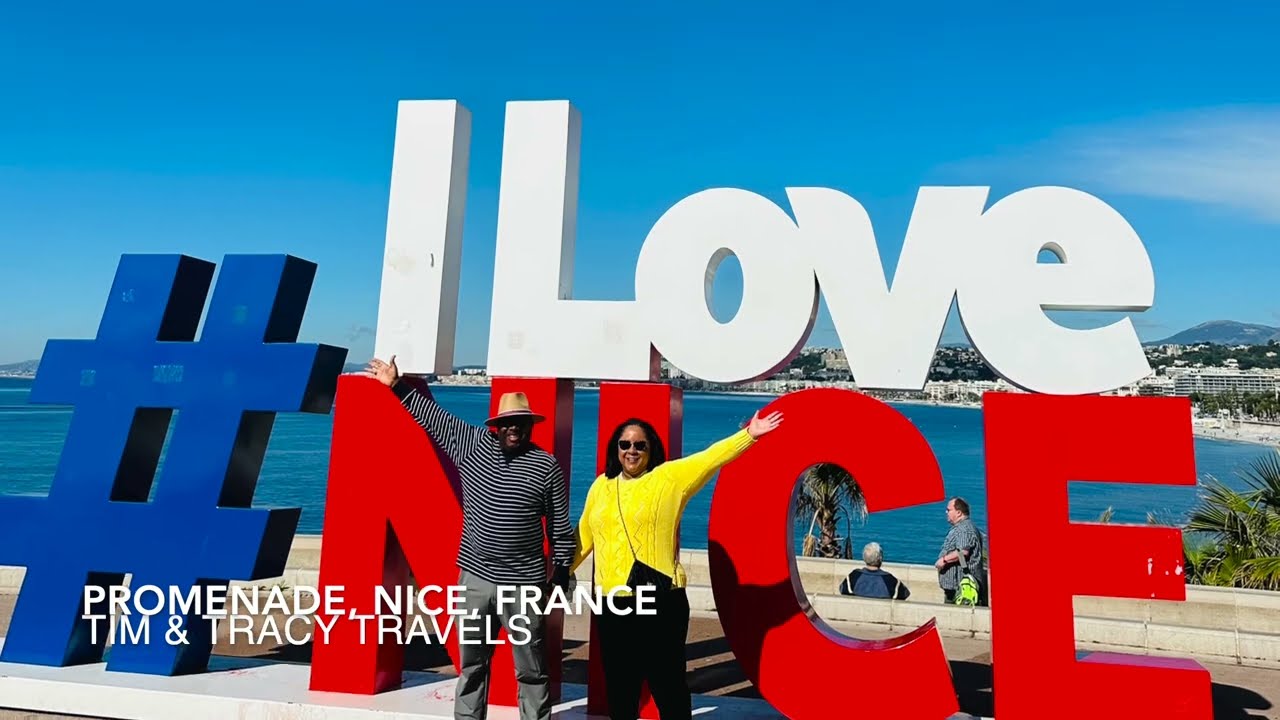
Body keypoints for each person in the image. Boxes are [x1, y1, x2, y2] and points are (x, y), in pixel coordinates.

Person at [362, 356, 575, 720]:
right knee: (472, 665)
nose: (514, 428)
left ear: (530, 425)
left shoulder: (546, 466)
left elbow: (559, 525)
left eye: (520, 422)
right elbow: (432, 417)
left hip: (524, 585)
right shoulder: (472, 445)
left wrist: (562, 569)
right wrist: (396, 385)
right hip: (475, 579)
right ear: (497, 426)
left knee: (531, 669)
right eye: (507, 422)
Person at [571, 410, 783, 720]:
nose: (631, 451)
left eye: (640, 445)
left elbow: (710, 458)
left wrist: (749, 435)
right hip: (612, 602)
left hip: (660, 598)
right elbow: (584, 537)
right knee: (620, 687)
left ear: (651, 448)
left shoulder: (669, 478)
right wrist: (557, 571)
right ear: (615, 448)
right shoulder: (601, 486)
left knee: (667, 684)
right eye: (625, 444)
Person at [935, 496, 987, 607]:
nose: (946, 512)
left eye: (949, 510)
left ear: (958, 513)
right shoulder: (962, 528)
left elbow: (963, 552)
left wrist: (943, 560)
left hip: (961, 587)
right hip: (956, 587)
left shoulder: (964, 529)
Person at [839, 542, 910, 600]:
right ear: (880, 558)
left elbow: (842, 590)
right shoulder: (890, 580)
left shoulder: (853, 577)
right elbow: (905, 594)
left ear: (864, 557)